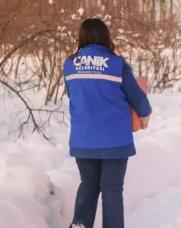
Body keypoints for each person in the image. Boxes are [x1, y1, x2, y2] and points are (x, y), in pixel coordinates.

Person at [63, 18, 152, 228]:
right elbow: (137, 98)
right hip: (115, 140)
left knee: (88, 183)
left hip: (83, 140)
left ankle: (80, 224)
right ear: (105, 36)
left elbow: (72, 94)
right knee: (112, 189)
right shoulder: (117, 64)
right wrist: (145, 114)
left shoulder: (70, 65)